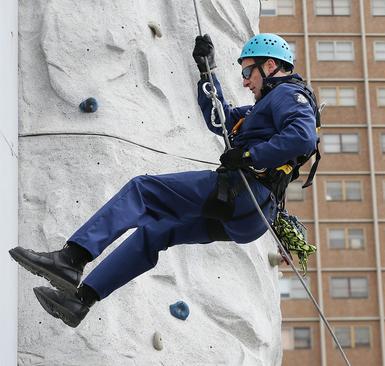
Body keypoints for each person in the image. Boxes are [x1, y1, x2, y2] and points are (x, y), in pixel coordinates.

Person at [8, 33, 319, 328]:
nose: (245, 80)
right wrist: (207, 71)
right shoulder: (261, 108)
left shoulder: (287, 94)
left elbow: (302, 136)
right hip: (250, 217)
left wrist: (250, 157)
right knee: (155, 232)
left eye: (249, 71)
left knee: (143, 191)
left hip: (242, 193)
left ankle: (71, 258)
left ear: (270, 66)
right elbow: (220, 120)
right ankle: (81, 300)